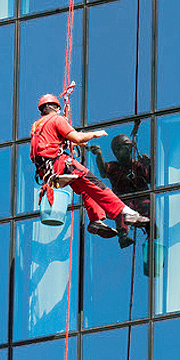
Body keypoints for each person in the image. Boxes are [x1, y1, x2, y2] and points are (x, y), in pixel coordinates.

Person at [30, 90, 151, 240]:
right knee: (97, 184)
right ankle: (125, 212)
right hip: (61, 165)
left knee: (87, 189)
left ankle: (96, 220)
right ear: (56, 108)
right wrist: (94, 134)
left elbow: (48, 146)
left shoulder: (36, 126)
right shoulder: (57, 120)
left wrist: (73, 142)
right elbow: (77, 137)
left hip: (47, 174)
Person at [96, 132, 155, 247]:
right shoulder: (114, 167)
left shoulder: (139, 166)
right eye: (115, 150)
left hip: (140, 202)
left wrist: (149, 165)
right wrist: (99, 155)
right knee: (120, 209)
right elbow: (103, 171)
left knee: (147, 207)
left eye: (120, 148)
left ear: (129, 148)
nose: (117, 152)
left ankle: (152, 231)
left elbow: (151, 178)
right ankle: (122, 235)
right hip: (125, 203)